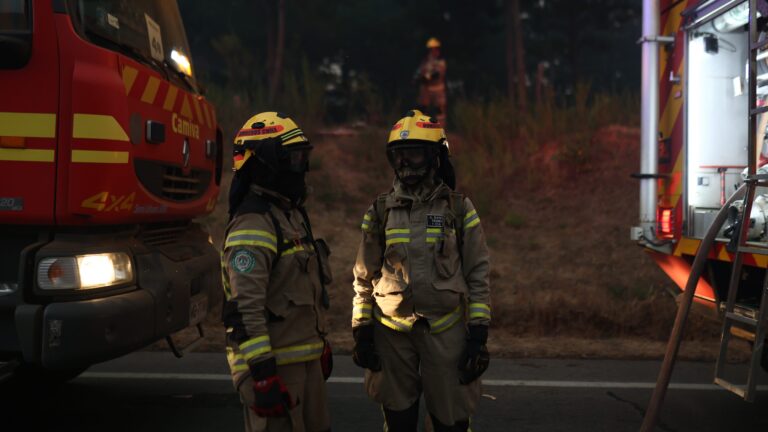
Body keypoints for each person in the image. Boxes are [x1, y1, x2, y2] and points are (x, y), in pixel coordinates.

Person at [351, 109, 491, 431]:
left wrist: (478, 334)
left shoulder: (459, 208)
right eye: (398, 155)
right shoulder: (381, 210)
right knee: (398, 418)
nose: (404, 163)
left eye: (413, 154)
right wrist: (361, 329)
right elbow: (363, 275)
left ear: (435, 157)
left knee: (451, 418)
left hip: (445, 332)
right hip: (391, 335)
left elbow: (478, 273)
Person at [222, 112, 333, 432]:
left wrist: (318, 344)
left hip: (304, 363)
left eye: (302, 157)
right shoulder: (253, 225)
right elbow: (246, 309)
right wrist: (262, 373)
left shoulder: (290, 216)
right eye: (293, 159)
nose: (301, 167)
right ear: (265, 164)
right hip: (275, 368)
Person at [416, 37, 448, 126]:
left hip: (438, 90)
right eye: (431, 49)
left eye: (435, 49)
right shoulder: (425, 60)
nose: (433, 51)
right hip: (426, 89)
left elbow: (438, 73)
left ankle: (441, 128)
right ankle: (422, 128)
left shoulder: (440, 61)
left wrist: (428, 77)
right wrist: (418, 77)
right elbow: (419, 71)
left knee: (439, 111)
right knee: (422, 110)